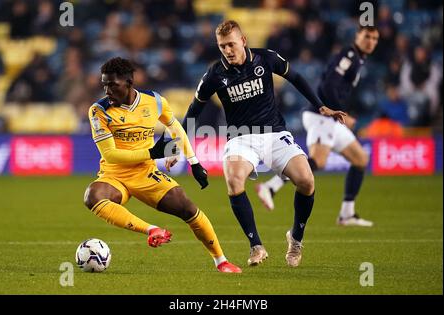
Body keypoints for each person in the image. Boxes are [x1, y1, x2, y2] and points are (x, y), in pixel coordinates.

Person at [180, 20, 345, 267]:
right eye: (222, 46)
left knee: (306, 181)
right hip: (240, 139)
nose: (227, 50)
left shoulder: (265, 59)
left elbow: (297, 77)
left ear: (243, 41)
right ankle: (256, 246)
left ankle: (296, 239)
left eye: (231, 45)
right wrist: (177, 146)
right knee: (234, 180)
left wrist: (320, 105)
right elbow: (193, 111)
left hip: (274, 133)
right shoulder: (215, 74)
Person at [83, 57, 241, 273]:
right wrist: (152, 152)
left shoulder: (155, 101)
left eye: (112, 85)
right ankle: (152, 230)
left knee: (188, 209)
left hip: (145, 173)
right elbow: (111, 155)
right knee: (93, 196)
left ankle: (221, 261)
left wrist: (194, 162)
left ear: (129, 82)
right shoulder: (98, 111)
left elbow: (175, 127)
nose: (107, 90)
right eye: (104, 84)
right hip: (114, 175)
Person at [257, 25, 379, 227]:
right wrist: (339, 112)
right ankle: (270, 186)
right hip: (321, 115)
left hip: (328, 118)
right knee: (318, 161)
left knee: (360, 158)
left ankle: (347, 214)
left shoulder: (358, 58)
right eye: (367, 36)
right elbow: (329, 85)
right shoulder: (349, 54)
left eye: (375, 38)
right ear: (357, 35)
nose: (371, 41)